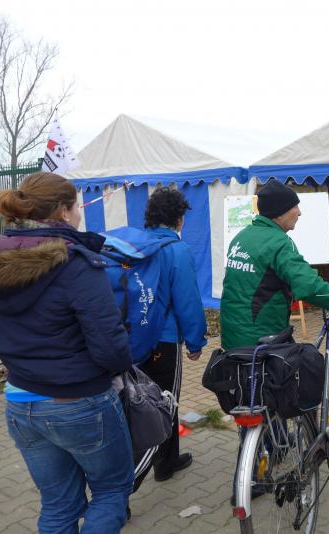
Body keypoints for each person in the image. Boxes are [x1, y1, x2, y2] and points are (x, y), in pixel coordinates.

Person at [0, 172, 134, 533]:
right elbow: (111, 348)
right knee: (111, 491)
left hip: (19, 400)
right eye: (76, 207)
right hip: (78, 400)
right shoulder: (76, 264)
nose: (79, 214)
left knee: (58, 504)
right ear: (63, 212)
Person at [221, 180, 329, 350]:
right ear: (279, 213)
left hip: (232, 338)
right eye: (295, 207)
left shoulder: (241, 237)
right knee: (308, 362)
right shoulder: (278, 243)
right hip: (261, 340)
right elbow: (308, 286)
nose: (299, 212)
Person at [132, 188, 207, 490]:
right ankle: (124, 487)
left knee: (138, 402)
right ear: (179, 218)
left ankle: (168, 461)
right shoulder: (177, 250)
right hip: (163, 340)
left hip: (132, 339)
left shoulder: (133, 244)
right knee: (165, 403)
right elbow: (188, 300)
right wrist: (195, 341)